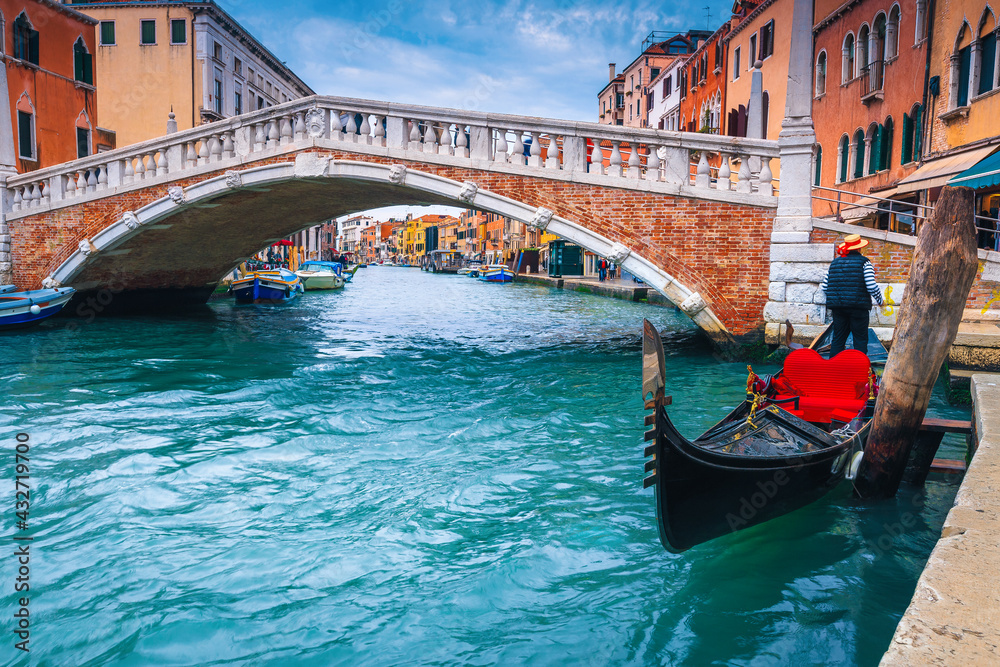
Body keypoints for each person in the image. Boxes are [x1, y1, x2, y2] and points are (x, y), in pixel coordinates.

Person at [820, 234, 884, 356]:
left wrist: (838, 298)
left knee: (838, 340)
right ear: (859, 248)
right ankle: (860, 371)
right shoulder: (865, 263)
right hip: (858, 308)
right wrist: (880, 301)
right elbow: (871, 286)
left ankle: (833, 369)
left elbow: (824, 287)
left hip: (838, 309)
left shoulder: (834, 263)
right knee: (860, 341)